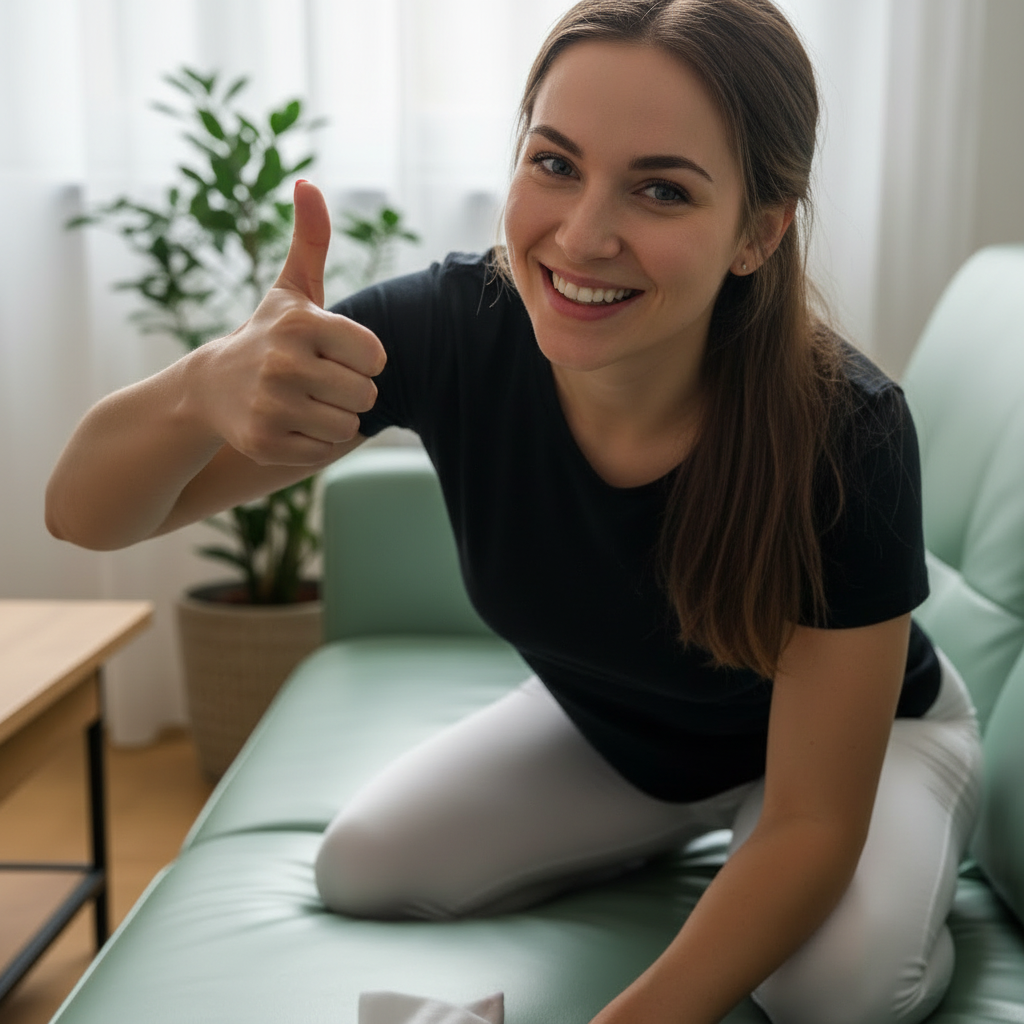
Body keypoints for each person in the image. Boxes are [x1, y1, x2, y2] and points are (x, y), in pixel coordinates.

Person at [46, 1, 982, 1022]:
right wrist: (200, 385)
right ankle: (696, 824)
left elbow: (808, 820)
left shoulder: (849, 429)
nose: (582, 235)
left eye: (661, 189)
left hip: (857, 751)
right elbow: (87, 516)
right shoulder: (448, 331)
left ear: (757, 231)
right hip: (623, 734)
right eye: (554, 163)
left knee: (833, 990)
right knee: (364, 865)